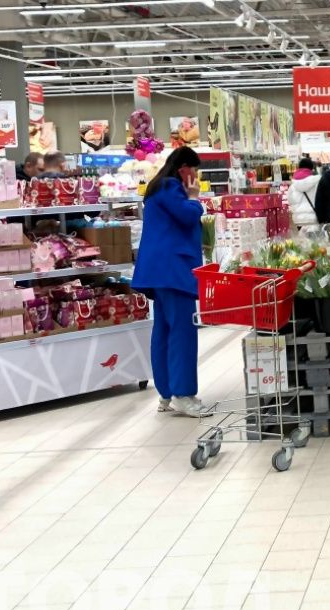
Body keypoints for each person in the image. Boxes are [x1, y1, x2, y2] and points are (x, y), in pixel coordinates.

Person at [131, 147, 210, 419]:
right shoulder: (171, 188)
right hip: (173, 270)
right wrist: (195, 197)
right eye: (194, 170)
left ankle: (166, 392)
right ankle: (182, 393)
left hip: (160, 271)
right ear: (183, 168)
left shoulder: (157, 188)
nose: (196, 176)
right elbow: (188, 215)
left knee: (163, 331)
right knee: (182, 332)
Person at [289, 157, 321, 230]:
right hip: (314, 218)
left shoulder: (293, 185)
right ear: (311, 168)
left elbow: (290, 201)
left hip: (299, 220)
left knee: (302, 240)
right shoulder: (316, 182)